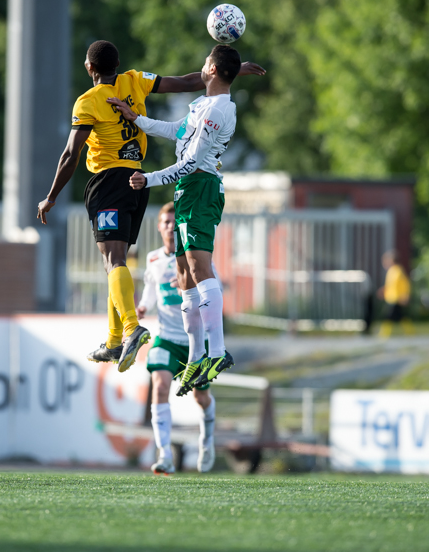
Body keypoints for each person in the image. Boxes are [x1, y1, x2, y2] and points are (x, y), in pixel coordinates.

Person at [36, 40, 264, 374]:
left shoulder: (87, 102)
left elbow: (71, 154)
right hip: (135, 181)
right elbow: (187, 82)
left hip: (109, 182)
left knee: (113, 260)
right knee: (117, 263)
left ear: (89, 68)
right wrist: (233, 72)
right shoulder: (135, 80)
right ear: (117, 64)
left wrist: (52, 195)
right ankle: (114, 339)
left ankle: (130, 329)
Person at [111, 44, 250, 395]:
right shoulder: (203, 104)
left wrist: (150, 178)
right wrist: (136, 119)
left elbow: (191, 161)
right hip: (188, 190)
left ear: (214, 70)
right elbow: (177, 131)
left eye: (206, 63)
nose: (201, 66)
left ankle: (216, 352)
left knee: (200, 268)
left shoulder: (219, 109)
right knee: (184, 274)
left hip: (200, 187)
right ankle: (195, 357)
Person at [138, 202, 216, 475]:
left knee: (201, 396)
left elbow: (213, 287)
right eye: (166, 223)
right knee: (159, 386)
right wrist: (143, 307)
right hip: (167, 337)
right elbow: (150, 287)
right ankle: (164, 454)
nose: (171, 228)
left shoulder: (196, 255)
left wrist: (188, 284)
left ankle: (207, 440)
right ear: (159, 227)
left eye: (175, 222)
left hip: (195, 340)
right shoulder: (154, 258)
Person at [377, 250, 413, 337]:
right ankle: (410, 332)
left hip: (396, 298)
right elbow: (390, 285)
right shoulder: (391, 271)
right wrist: (383, 290)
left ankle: (383, 335)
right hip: (391, 298)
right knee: (400, 317)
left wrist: (405, 296)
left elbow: (404, 284)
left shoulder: (398, 271)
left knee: (389, 317)